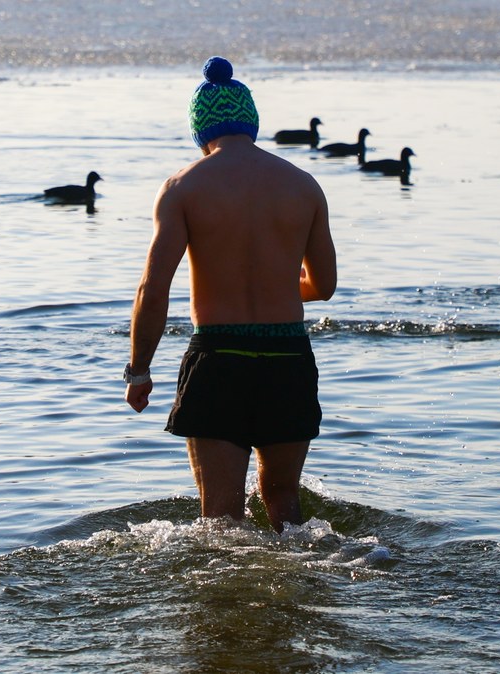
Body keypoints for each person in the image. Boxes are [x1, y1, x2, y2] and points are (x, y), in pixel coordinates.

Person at [123, 56, 337, 532]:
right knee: (285, 505)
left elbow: (152, 291)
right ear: (251, 123)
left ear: (201, 132)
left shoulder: (183, 188)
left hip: (219, 358)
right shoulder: (303, 186)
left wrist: (138, 371)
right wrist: (276, 285)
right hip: (287, 357)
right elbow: (323, 287)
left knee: (219, 521)